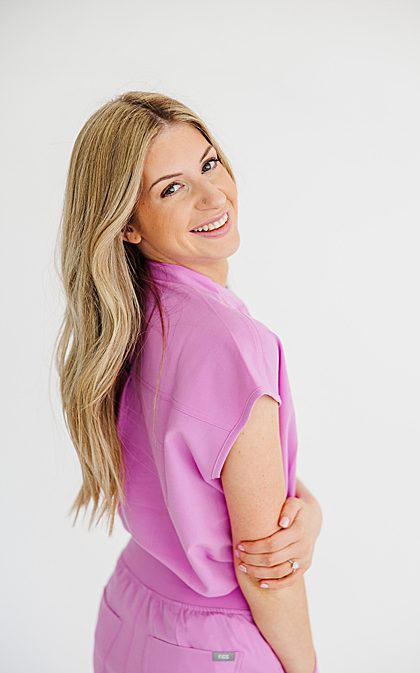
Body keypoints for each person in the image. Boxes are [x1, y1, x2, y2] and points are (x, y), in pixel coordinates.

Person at [55, 91, 321, 672]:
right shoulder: (234, 345)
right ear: (126, 223)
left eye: (208, 163)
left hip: (130, 612)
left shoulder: (123, 319)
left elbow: (205, 469)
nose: (212, 194)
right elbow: (266, 570)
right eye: (170, 188)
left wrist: (306, 505)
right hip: (214, 648)